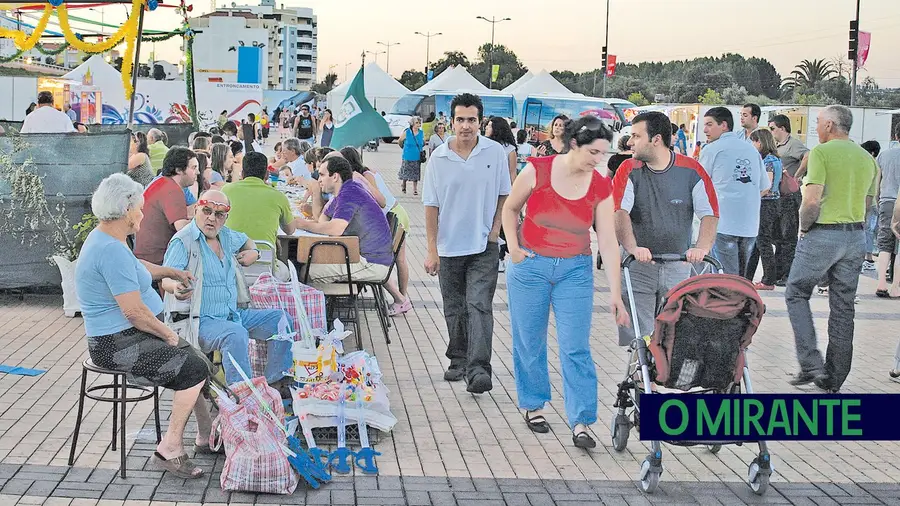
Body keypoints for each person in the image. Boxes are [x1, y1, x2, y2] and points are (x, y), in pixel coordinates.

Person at [503, 116, 629, 449]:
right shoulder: (537, 169)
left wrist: (616, 294)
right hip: (531, 266)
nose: (598, 160)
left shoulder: (601, 185)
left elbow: (607, 241)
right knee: (530, 341)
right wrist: (514, 249)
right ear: (574, 144)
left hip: (575, 270)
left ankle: (582, 421)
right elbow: (510, 209)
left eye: (603, 154)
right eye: (593, 152)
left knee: (576, 347)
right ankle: (533, 405)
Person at [76, 174, 212, 479]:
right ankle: (170, 449)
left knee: (199, 362)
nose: (143, 213)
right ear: (126, 210)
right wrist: (168, 334)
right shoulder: (109, 250)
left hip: (127, 335)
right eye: (140, 208)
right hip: (117, 344)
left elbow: (138, 268)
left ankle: (206, 437)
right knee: (193, 368)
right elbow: (135, 313)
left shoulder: (109, 239)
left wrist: (173, 272)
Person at [422, 93, 511, 394]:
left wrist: (495, 230)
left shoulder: (494, 152)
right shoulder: (439, 158)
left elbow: (503, 194)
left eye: (472, 120)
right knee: (454, 307)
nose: (466, 126)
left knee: (479, 305)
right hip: (449, 247)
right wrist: (432, 249)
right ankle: (458, 359)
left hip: (483, 244)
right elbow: (431, 205)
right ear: (451, 122)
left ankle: (478, 370)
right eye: (460, 119)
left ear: (480, 121)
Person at [786, 105, 877, 392]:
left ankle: (811, 363)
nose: (816, 128)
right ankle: (834, 377)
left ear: (829, 126)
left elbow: (811, 202)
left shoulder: (821, 153)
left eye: (818, 123)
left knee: (796, 292)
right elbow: (867, 204)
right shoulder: (867, 159)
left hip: (824, 233)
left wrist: (804, 228)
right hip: (855, 236)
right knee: (842, 306)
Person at [162, 190, 293, 391]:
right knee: (235, 334)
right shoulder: (183, 241)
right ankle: (243, 395)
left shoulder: (225, 235)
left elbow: (246, 240)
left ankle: (274, 385)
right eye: (207, 211)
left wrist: (254, 252)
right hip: (198, 320)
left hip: (232, 314)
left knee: (281, 320)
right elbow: (166, 279)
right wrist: (176, 287)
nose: (212, 218)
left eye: (219, 214)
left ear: (225, 218)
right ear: (197, 209)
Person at [612, 112, 719, 346]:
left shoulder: (691, 171)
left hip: (677, 264)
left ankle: (661, 373)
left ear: (656, 139)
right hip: (638, 265)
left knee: (674, 331)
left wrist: (701, 248)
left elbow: (709, 213)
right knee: (641, 334)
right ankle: (642, 377)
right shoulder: (628, 170)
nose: (630, 142)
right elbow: (620, 212)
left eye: (636, 136)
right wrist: (632, 247)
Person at [295, 157, 395, 283]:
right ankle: (322, 299)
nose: (319, 180)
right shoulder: (346, 190)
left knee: (306, 271)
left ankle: (322, 301)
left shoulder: (350, 193)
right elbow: (323, 219)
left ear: (335, 176)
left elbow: (336, 229)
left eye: (322, 175)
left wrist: (303, 224)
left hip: (371, 263)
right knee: (307, 263)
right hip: (362, 257)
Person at [340, 147, 412, 314]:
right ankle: (402, 298)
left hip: (395, 214)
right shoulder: (362, 174)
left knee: (399, 259)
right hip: (389, 215)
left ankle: (402, 298)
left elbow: (377, 198)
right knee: (396, 259)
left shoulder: (366, 175)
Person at [699, 107, 769, 277]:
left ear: (724, 125)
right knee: (741, 278)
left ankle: (727, 303)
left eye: (709, 124)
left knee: (724, 278)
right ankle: (741, 303)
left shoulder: (711, 149)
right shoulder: (751, 150)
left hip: (723, 223)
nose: (705, 130)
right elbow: (764, 186)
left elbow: (699, 184)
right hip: (749, 225)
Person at [134, 148, 199, 266]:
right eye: (194, 168)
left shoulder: (160, 183)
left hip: (144, 259)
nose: (198, 172)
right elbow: (183, 230)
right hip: (158, 262)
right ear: (179, 170)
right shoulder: (172, 190)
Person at [222, 152, 299, 250]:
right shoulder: (278, 196)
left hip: (231, 258)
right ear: (267, 175)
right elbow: (290, 230)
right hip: (265, 261)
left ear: (242, 173)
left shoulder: (226, 190)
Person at [768, 114, 809, 286]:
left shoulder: (793, 144)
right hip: (779, 195)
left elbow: (808, 155)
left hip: (790, 195)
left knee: (788, 236)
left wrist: (797, 176)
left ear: (782, 128)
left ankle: (787, 273)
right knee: (777, 236)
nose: (771, 132)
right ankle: (779, 271)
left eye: (773, 129)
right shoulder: (777, 146)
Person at [748, 128, 783, 290]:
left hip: (766, 204)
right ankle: (747, 276)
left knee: (763, 242)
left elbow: (766, 186)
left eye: (753, 141)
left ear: (760, 142)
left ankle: (769, 279)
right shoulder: (776, 159)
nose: (751, 145)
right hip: (774, 204)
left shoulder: (768, 161)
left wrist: (753, 198)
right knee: (757, 243)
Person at [485, 117, 518, 271]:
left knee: (502, 224)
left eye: (490, 126)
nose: (486, 128)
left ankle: (501, 255)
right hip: (486, 191)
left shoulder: (509, 149)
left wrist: (515, 195)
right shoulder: (484, 145)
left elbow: (512, 174)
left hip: (502, 192)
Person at [875, 125, 900, 298]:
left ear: (896, 136)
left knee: (884, 244)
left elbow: (877, 180)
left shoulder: (884, 155)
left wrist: (878, 200)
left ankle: (881, 283)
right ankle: (896, 286)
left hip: (887, 201)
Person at [860, 140, 881, 273]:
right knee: (869, 231)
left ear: (871, 153)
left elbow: (873, 189)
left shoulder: (872, 165)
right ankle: (868, 258)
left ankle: (868, 259)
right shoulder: (874, 165)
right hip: (872, 203)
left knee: (866, 231)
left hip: (870, 204)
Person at [398, 116, 425, 195]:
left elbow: (423, 142)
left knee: (415, 173)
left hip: (417, 156)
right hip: (407, 155)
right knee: (405, 172)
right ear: (412, 123)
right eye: (417, 123)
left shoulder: (421, 133)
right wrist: (404, 148)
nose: (418, 124)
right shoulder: (407, 132)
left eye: (419, 123)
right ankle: (404, 184)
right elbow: (400, 141)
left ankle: (415, 189)